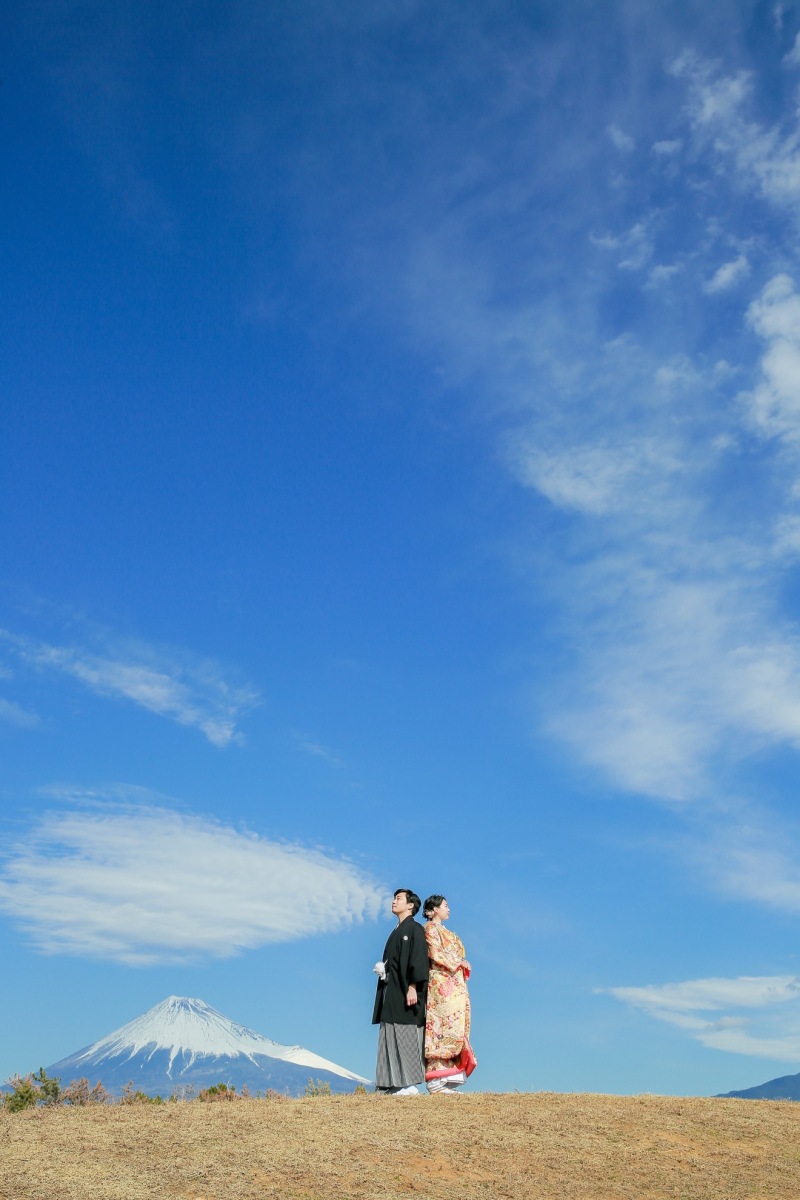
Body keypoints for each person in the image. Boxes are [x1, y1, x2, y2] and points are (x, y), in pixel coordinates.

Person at [372, 888, 429, 1096]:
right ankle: (392, 1084)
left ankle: (410, 1083)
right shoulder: (395, 931)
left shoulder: (415, 929)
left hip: (407, 990)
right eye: (394, 898)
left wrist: (413, 986)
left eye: (398, 899)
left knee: (406, 1033)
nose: (394, 902)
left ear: (411, 905)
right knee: (388, 1032)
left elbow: (419, 958)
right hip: (391, 989)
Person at [422, 894, 476, 1094]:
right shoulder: (429, 929)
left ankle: (449, 1074)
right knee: (440, 1026)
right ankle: (436, 1076)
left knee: (456, 1026)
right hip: (441, 983)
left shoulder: (450, 933)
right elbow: (435, 953)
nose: (448, 909)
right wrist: (458, 962)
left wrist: (461, 963)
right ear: (434, 909)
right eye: (445, 905)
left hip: (455, 983)